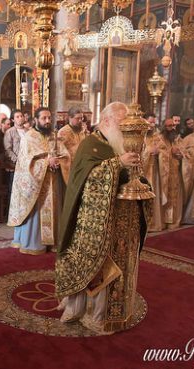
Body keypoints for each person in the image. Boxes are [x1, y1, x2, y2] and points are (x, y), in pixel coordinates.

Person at [55, 102, 149, 334]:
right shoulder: (91, 144)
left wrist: (139, 179)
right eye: (121, 123)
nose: (125, 129)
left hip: (119, 218)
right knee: (91, 264)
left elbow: (129, 176)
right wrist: (118, 163)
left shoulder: (117, 144)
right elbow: (87, 179)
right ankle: (86, 311)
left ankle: (108, 312)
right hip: (92, 222)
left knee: (116, 264)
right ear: (106, 120)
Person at [8, 107, 71, 254]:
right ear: (36, 120)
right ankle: (34, 243)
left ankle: (52, 242)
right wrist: (46, 162)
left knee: (54, 210)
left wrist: (59, 161)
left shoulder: (54, 136)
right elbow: (25, 162)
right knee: (36, 212)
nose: (47, 121)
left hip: (53, 182)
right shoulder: (29, 137)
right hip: (36, 185)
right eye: (44, 118)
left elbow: (65, 155)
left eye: (49, 118)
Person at [142, 118, 185, 231]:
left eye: (172, 125)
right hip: (161, 173)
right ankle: (161, 222)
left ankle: (171, 222)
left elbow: (184, 153)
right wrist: (161, 152)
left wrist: (179, 153)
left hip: (173, 172)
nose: (171, 128)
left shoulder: (177, 138)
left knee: (172, 198)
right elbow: (153, 151)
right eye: (168, 126)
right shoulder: (158, 138)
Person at [3, 110, 26, 205]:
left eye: (21, 116)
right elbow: (7, 150)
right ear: (13, 119)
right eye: (17, 116)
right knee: (13, 190)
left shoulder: (29, 131)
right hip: (14, 166)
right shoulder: (10, 132)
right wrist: (17, 160)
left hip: (27, 165)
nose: (20, 118)